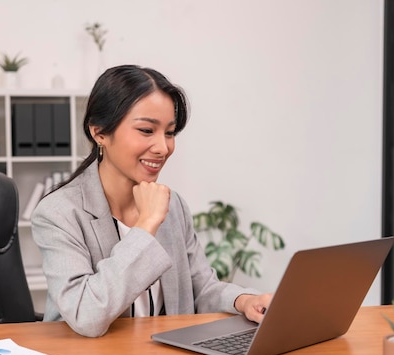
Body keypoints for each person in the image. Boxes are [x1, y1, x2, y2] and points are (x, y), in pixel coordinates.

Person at [31, 65, 271, 337]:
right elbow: (86, 315)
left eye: (169, 133)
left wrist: (245, 301)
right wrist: (145, 226)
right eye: (147, 130)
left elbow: (201, 288)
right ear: (99, 133)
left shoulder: (173, 204)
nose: (163, 147)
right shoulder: (59, 213)